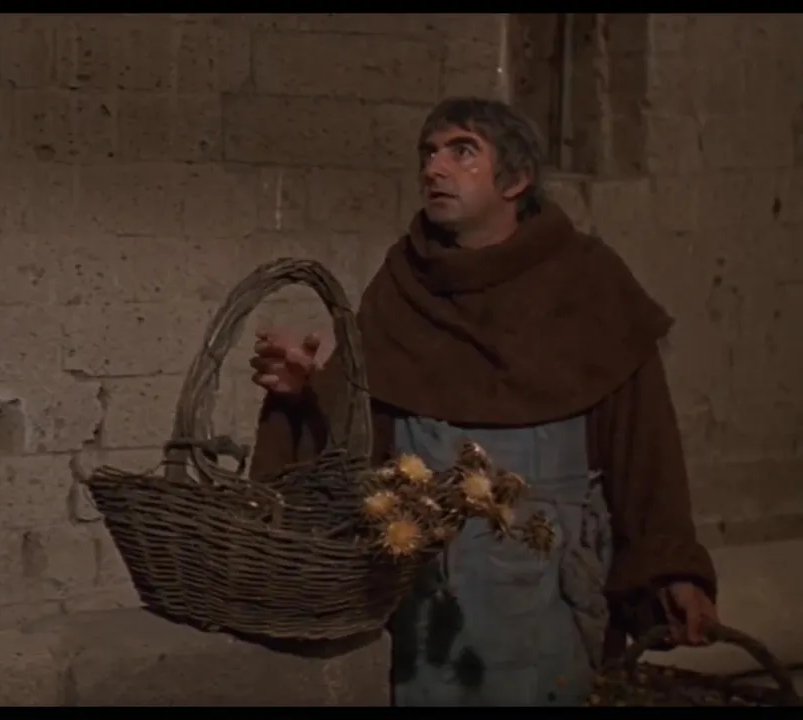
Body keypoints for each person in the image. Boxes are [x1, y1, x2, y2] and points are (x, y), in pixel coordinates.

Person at [248, 97, 719, 707]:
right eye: (428, 153)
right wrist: (306, 394)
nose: (434, 169)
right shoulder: (403, 285)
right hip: (431, 605)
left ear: (514, 179)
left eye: (462, 151)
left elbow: (644, 444)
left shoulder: (589, 282)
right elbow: (361, 439)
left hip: (553, 591)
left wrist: (672, 569)